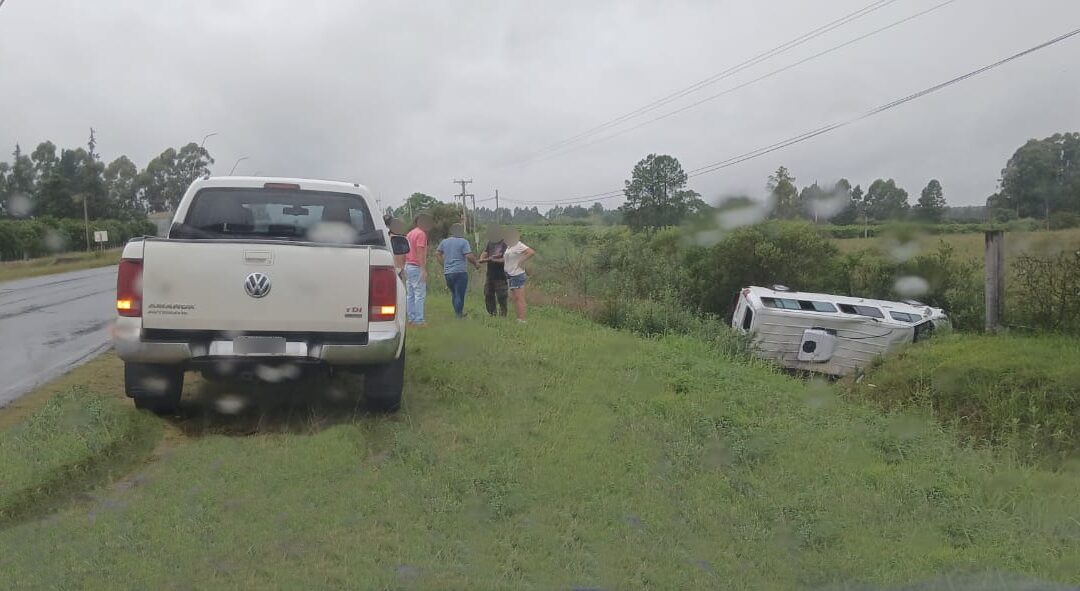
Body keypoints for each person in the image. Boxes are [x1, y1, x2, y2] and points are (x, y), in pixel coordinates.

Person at [436, 223, 481, 318]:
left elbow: (437, 253)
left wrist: (444, 264)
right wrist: (476, 263)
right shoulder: (463, 242)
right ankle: (459, 314)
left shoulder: (444, 242)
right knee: (459, 294)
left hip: (448, 273)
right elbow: (468, 255)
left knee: (454, 293)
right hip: (460, 272)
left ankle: (457, 312)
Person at [404, 213, 434, 326]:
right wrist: (423, 269)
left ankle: (411, 318)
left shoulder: (410, 233)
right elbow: (420, 252)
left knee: (410, 294)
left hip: (408, 265)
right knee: (419, 294)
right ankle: (419, 320)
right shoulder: (421, 234)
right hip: (416, 266)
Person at [502, 228, 535, 323]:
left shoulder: (518, 245)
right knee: (515, 297)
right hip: (510, 274)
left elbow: (531, 252)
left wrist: (521, 261)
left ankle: (522, 319)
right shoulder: (509, 247)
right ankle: (519, 318)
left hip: (517, 274)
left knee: (519, 297)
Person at [477, 225, 508, 317]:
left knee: (501, 296)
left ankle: (503, 314)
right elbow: (485, 253)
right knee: (488, 293)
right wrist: (482, 258)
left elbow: (506, 259)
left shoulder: (505, 244)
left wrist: (492, 259)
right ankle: (492, 313)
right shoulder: (491, 243)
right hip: (490, 274)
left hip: (501, 274)